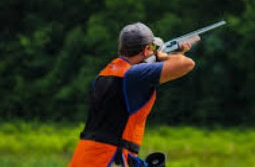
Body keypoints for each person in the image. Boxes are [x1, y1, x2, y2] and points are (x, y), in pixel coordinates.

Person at [69, 22, 196, 167]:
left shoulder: (105, 73)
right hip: (109, 158)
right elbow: (187, 64)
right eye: (152, 48)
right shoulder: (134, 74)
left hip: (85, 157)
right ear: (147, 49)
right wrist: (164, 56)